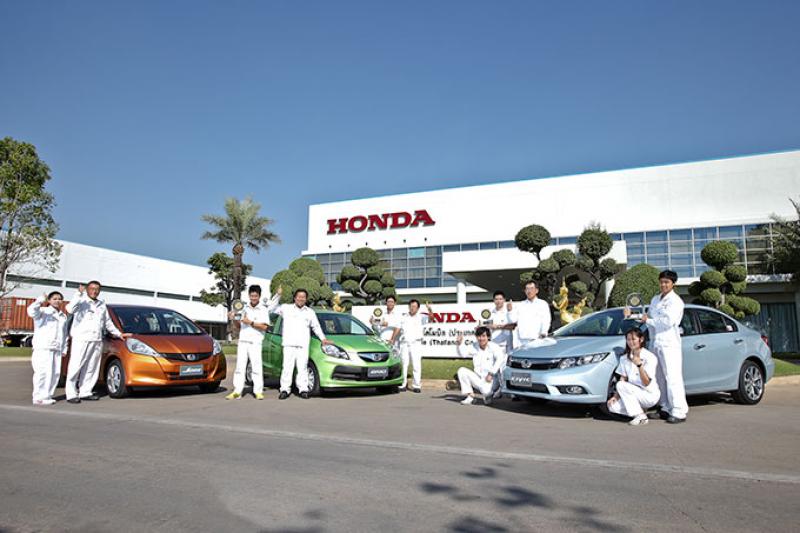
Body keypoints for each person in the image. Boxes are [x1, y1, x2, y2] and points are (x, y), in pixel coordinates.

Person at [625, 269, 687, 424]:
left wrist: (648, 320)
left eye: (667, 282)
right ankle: (664, 407)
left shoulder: (676, 301)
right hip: (655, 342)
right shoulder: (655, 299)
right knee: (658, 377)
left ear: (673, 284)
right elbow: (647, 318)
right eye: (661, 282)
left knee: (672, 377)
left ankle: (679, 411)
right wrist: (631, 315)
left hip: (669, 343)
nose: (663, 285)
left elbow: (667, 322)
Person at [64, 281, 130, 403]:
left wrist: (118, 334)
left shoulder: (101, 304)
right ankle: (71, 393)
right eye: (92, 288)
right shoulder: (81, 301)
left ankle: (85, 391)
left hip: (96, 339)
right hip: (81, 338)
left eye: (97, 289)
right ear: (87, 289)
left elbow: (108, 322)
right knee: (76, 366)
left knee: (92, 367)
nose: (94, 291)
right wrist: (78, 294)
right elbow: (69, 309)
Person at [266, 287, 333, 399]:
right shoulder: (286, 308)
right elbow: (271, 309)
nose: (301, 299)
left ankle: (303, 389)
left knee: (302, 368)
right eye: (299, 297)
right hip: (289, 344)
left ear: (306, 299)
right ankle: (285, 390)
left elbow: (316, 327)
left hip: (303, 344)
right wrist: (278, 295)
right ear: (295, 298)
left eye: (303, 297)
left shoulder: (310, 312)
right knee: (287, 368)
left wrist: (323, 339)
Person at [607, 328, 660, 426]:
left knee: (621, 385)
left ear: (641, 339)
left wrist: (639, 365)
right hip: (634, 393)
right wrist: (615, 397)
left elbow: (647, 382)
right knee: (612, 406)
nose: (631, 342)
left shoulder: (650, 357)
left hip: (649, 395)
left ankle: (641, 417)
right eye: (628, 339)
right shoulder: (624, 358)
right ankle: (640, 411)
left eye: (633, 339)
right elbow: (623, 378)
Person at [226, 285, 270, 400]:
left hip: (255, 342)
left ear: (259, 296)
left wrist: (250, 322)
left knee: (256, 367)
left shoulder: (263, 309)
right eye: (251, 296)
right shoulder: (244, 308)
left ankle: (258, 391)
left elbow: (265, 327)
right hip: (243, 341)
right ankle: (237, 391)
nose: (253, 298)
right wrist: (233, 319)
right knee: (240, 367)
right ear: (249, 296)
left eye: (255, 296)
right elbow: (239, 326)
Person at [27, 291, 69, 405]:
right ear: (49, 300)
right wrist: (40, 300)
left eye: (59, 299)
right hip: (43, 347)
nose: (57, 301)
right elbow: (31, 311)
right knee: (42, 372)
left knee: (55, 373)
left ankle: (47, 395)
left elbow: (64, 334)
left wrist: (64, 348)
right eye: (54, 299)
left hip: (56, 348)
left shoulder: (63, 316)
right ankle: (38, 397)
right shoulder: (43, 311)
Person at [390, 299, 433, 393]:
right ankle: (403, 384)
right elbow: (397, 328)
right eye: (411, 306)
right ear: (408, 307)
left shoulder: (421, 317)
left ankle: (416, 385)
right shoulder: (403, 317)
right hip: (404, 343)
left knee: (416, 365)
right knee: (404, 364)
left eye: (414, 307)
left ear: (418, 308)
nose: (412, 308)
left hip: (416, 344)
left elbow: (431, 318)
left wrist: (430, 309)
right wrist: (392, 338)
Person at [455, 327, 505, 405]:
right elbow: (463, 354)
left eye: (483, 336)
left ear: (488, 337)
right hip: (478, 377)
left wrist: (491, 373)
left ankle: (489, 395)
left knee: (486, 391)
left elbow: (500, 359)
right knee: (461, 371)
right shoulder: (474, 346)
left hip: (491, 379)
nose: (481, 339)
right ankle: (470, 396)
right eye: (479, 336)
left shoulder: (494, 347)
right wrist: (459, 344)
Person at [509, 280, 552, 345]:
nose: (529, 291)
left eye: (531, 288)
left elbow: (546, 320)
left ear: (536, 290)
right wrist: (510, 311)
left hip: (537, 339)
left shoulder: (542, 304)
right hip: (522, 340)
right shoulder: (520, 305)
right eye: (527, 289)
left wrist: (543, 332)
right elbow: (513, 320)